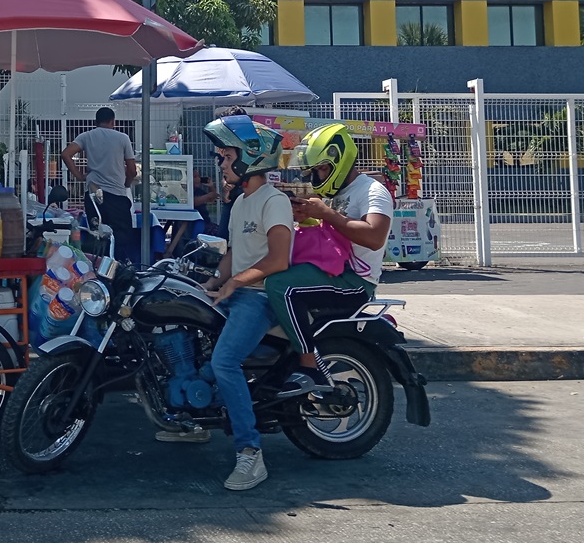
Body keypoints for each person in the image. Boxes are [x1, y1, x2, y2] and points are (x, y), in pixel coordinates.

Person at [166, 114, 292, 493]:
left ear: (249, 157)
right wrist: (210, 283)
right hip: (237, 290)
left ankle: (250, 453)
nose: (220, 162)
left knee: (224, 360)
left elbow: (278, 260)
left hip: (260, 297)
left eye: (225, 155)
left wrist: (235, 281)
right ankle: (192, 420)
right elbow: (234, 254)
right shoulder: (240, 204)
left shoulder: (275, 201)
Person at [278, 122, 394, 393]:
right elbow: (331, 235)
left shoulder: (372, 191)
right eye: (314, 171)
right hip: (332, 270)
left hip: (354, 281)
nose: (317, 177)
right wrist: (306, 215)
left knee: (281, 286)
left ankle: (308, 367)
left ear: (339, 159)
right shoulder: (336, 193)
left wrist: (327, 214)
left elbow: (375, 236)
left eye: (321, 169)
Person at [61, 107, 138, 261]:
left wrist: (79, 176)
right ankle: (118, 269)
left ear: (96, 122)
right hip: (117, 194)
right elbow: (132, 169)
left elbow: (66, 154)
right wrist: (127, 183)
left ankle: (97, 268)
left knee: (97, 235)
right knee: (121, 237)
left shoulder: (86, 136)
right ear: (113, 121)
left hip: (93, 196)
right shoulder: (122, 138)